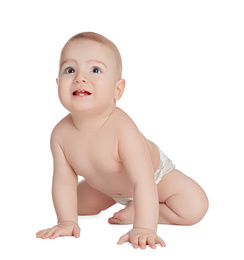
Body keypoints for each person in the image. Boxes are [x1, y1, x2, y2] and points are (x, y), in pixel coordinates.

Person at [36, 32, 209, 249]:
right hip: (104, 186)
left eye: (95, 70)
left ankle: (144, 210)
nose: (80, 77)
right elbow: (63, 182)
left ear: (117, 89)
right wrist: (66, 221)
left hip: (153, 179)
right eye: (70, 70)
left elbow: (143, 181)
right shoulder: (60, 134)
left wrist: (144, 227)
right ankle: (126, 205)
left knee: (194, 207)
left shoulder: (122, 128)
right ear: (58, 83)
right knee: (73, 204)